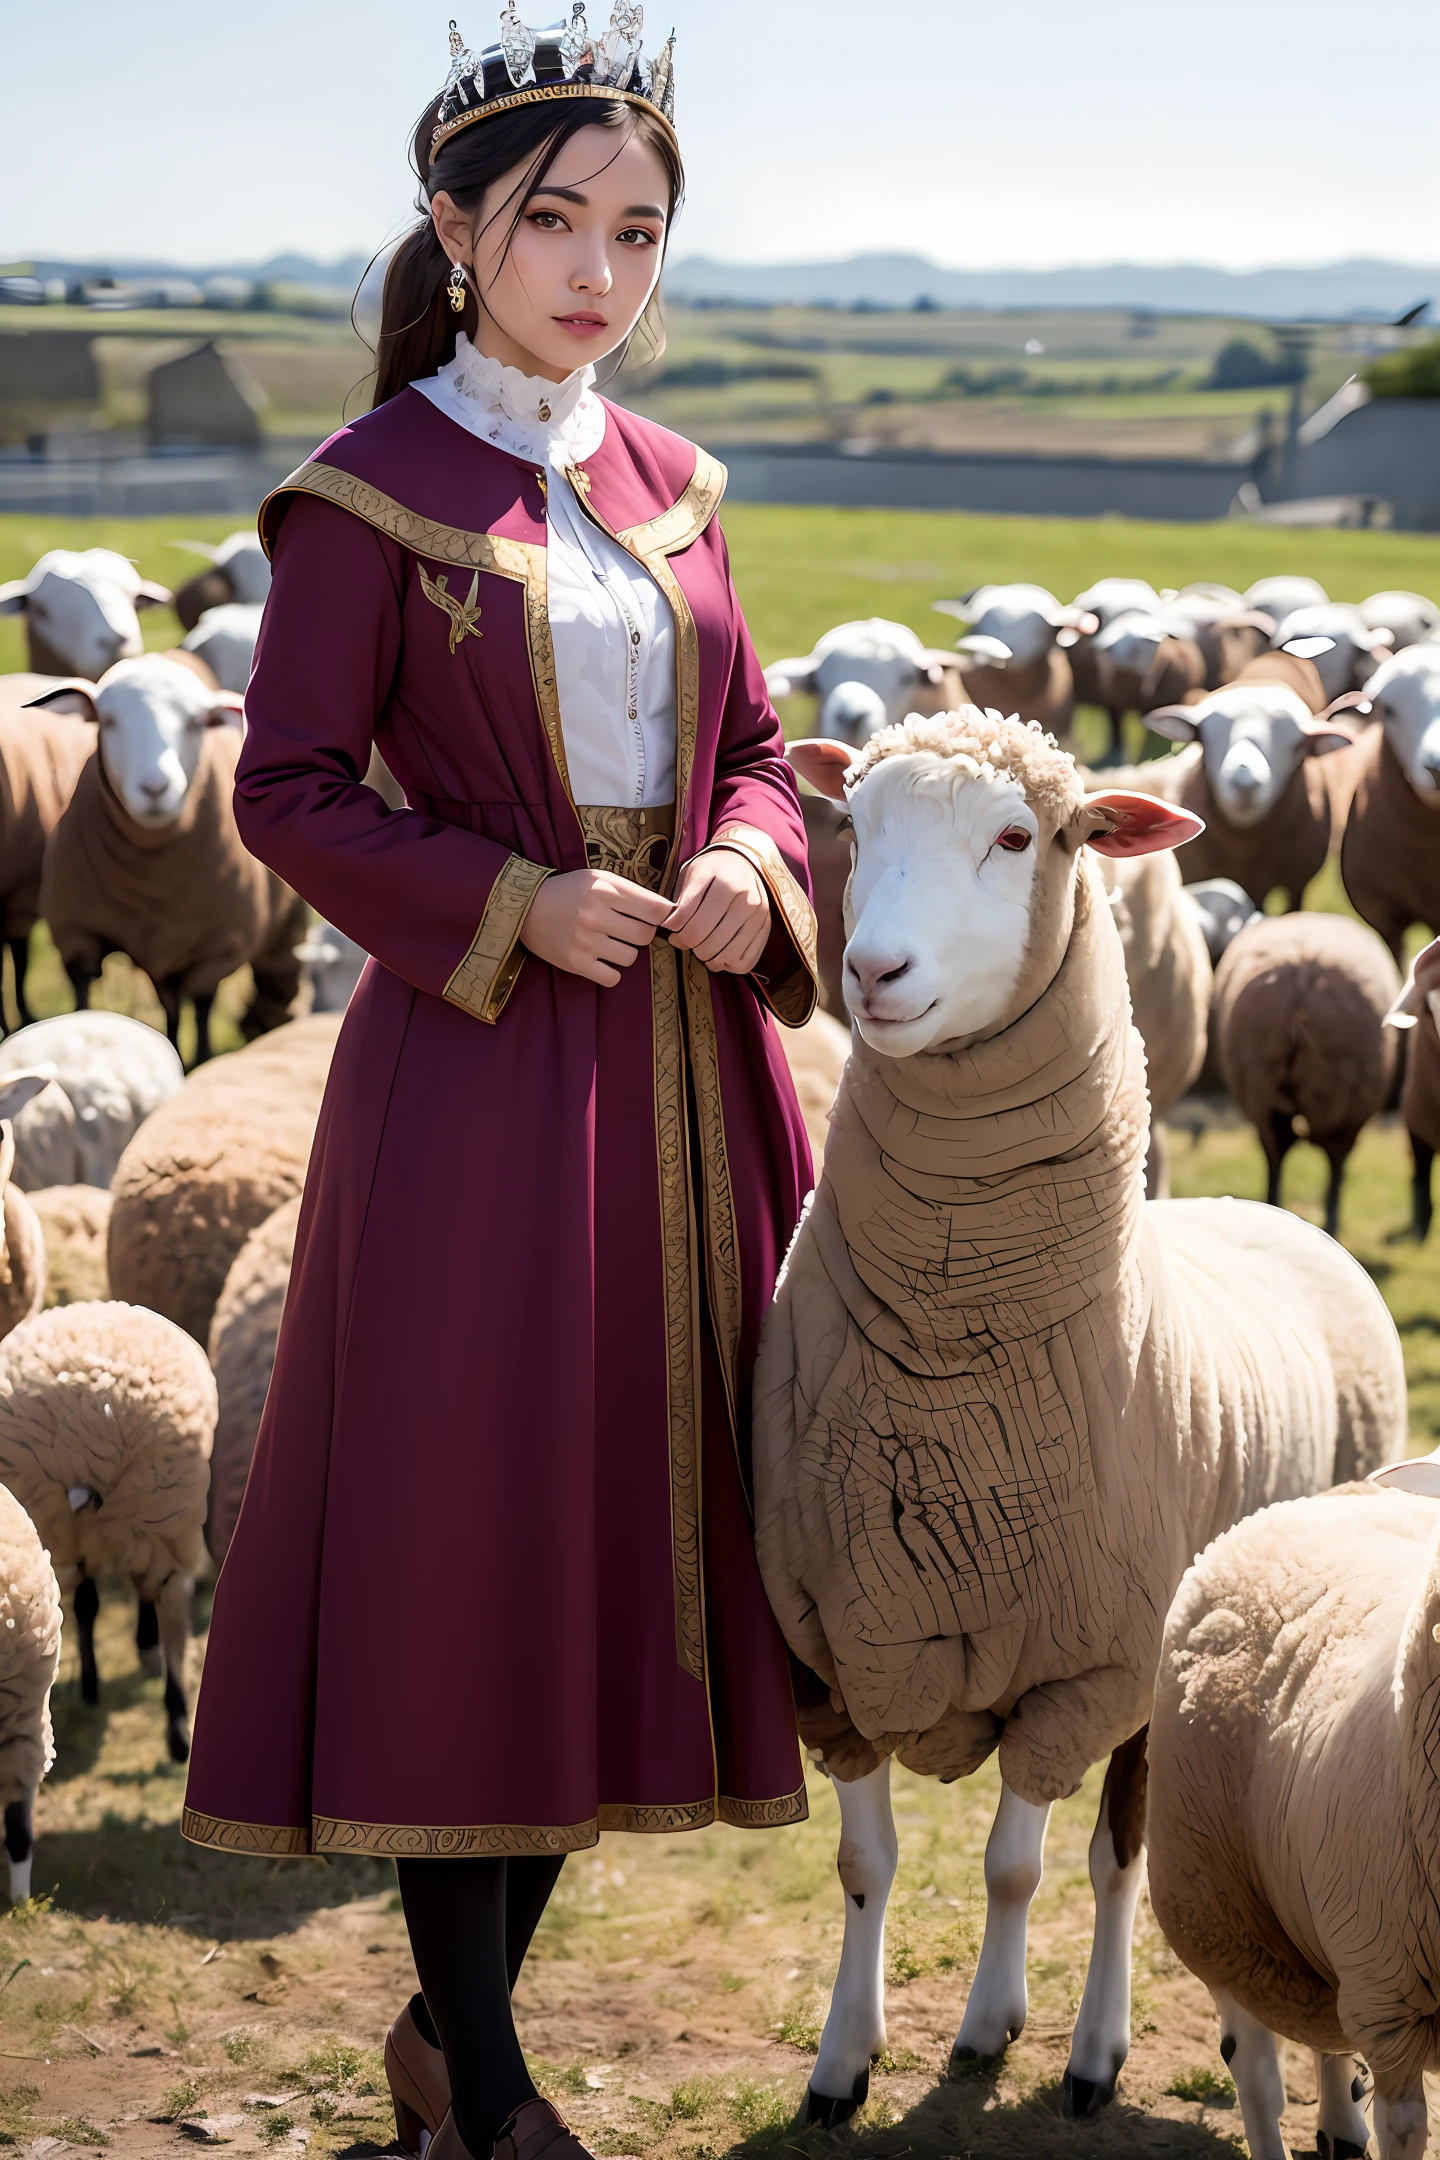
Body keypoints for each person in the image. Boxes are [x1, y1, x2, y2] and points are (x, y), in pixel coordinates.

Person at [180, 15, 821, 2160]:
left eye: (639, 231)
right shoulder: (376, 493)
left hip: (680, 1075)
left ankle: (460, 2039)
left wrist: (747, 858)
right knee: (473, 1540)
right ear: (458, 230)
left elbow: (749, 745)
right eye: (557, 221)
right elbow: (284, 789)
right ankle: (491, 2073)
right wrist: (512, 906)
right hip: (472, 1083)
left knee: (617, 1535)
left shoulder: (680, 491)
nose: (601, 269)